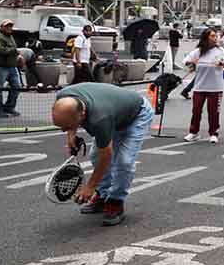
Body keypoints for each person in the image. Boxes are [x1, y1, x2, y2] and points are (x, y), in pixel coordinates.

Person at [51, 82, 155, 226]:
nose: (63, 129)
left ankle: (115, 202)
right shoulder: (64, 97)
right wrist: (71, 134)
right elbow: (69, 116)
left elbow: (106, 156)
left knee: (124, 161)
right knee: (94, 155)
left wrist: (90, 187)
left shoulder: (100, 118)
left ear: (82, 116)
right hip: (114, 112)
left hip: (137, 115)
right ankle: (103, 195)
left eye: (66, 126)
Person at [183, 28, 224, 143]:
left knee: (213, 112)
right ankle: (193, 132)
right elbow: (185, 60)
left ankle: (213, 133)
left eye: (216, 36)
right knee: (196, 111)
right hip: (199, 87)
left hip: (215, 88)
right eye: (212, 36)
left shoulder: (221, 51)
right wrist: (191, 63)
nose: (215, 38)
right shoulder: (198, 51)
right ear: (206, 38)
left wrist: (222, 63)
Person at [0, 19, 21, 118]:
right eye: (7, 26)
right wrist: (14, 50)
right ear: (2, 27)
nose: (9, 28)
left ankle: (9, 107)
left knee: (16, 86)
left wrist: (17, 56)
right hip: (1, 67)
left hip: (12, 66)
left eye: (10, 26)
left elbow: (12, 51)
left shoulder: (10, 36)